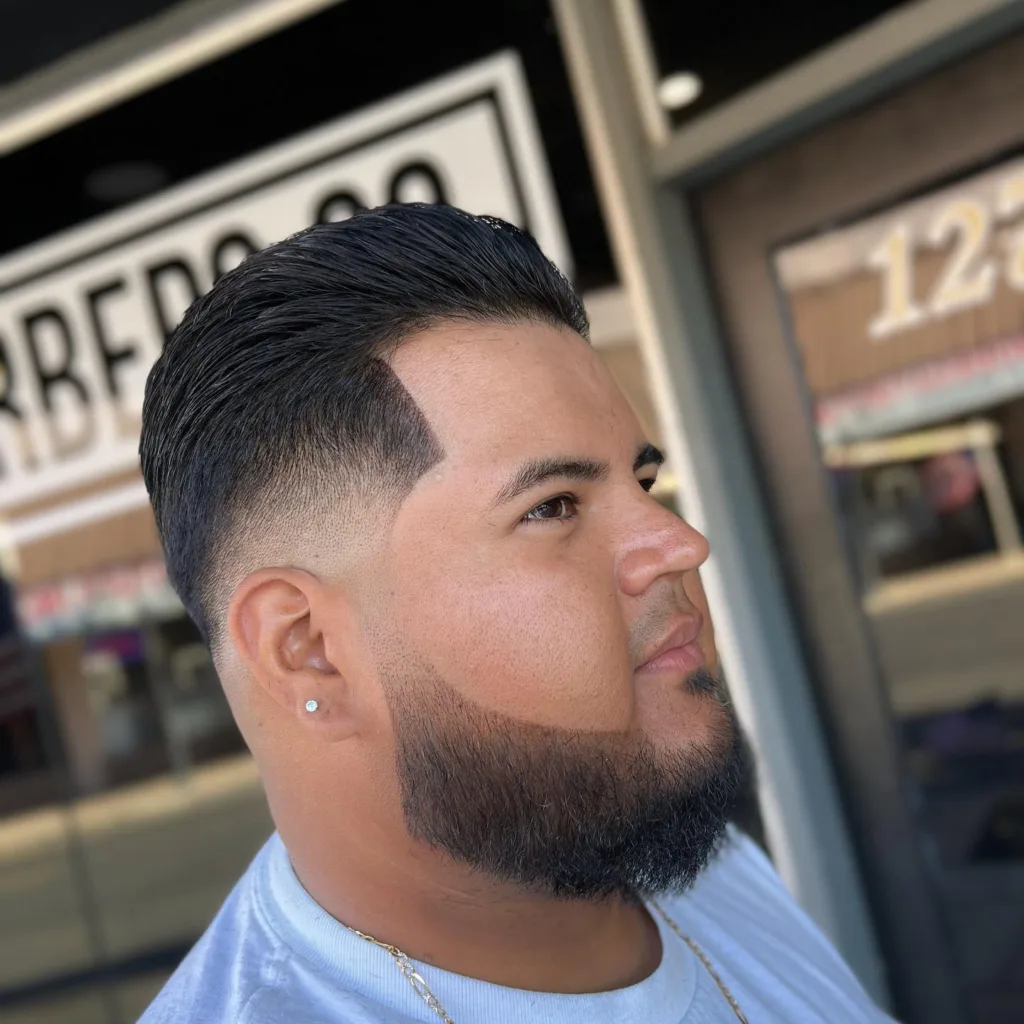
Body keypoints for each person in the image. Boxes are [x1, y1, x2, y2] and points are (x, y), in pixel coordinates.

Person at [137, 203, 892, 1023]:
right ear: (310, 651)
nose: (680, 543)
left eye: (642, 483)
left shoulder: (712, 875)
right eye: (553, 506)